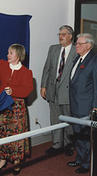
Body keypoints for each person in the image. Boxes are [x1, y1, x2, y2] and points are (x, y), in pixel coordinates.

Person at [0, 44, 33, 175]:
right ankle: (2, 159)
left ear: (18, 55)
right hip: (1, 105)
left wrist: (14, 91)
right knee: (1, 132)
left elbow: (27, 90)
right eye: (8, 52)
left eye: (10, 53)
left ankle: (17, 161)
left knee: (16, 135)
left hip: (17, 107)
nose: (7, 55)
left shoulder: (26, 72)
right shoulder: (2, 65)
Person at [67, 33, 97, 174]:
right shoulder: (78, 58)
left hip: (86, 106)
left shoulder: (96, 60)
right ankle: (80, 157)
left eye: (79, 44)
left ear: (88, 45)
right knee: (77, 133)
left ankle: (85, 164)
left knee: (85, 135)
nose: (76, 45)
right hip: (75, 103)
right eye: (76, 43)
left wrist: (96, 106)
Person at [40, 25, 77, 156]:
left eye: (63, 34)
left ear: (70, 36)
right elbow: (47, 69)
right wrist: (43, 86)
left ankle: (68, 144)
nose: (60, 36)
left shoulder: (76, 51)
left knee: (68, 120)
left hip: (67, 92)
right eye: (59, 34)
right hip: (52, 90)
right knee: (55, 119)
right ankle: (56, 145)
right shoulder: (53, 49)